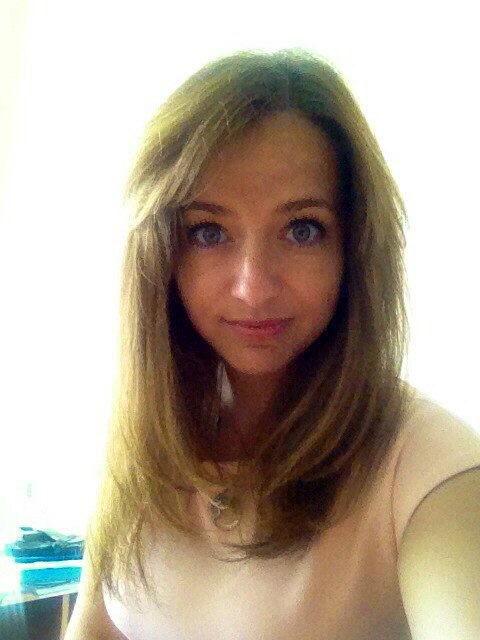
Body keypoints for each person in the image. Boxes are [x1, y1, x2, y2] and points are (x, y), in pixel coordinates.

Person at [65, 48, 480, 640]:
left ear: (353, 249)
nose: (253, 287)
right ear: (161, 254)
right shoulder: (145, 432)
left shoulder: (429, 472)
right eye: (208, 231)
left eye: (301, 229)